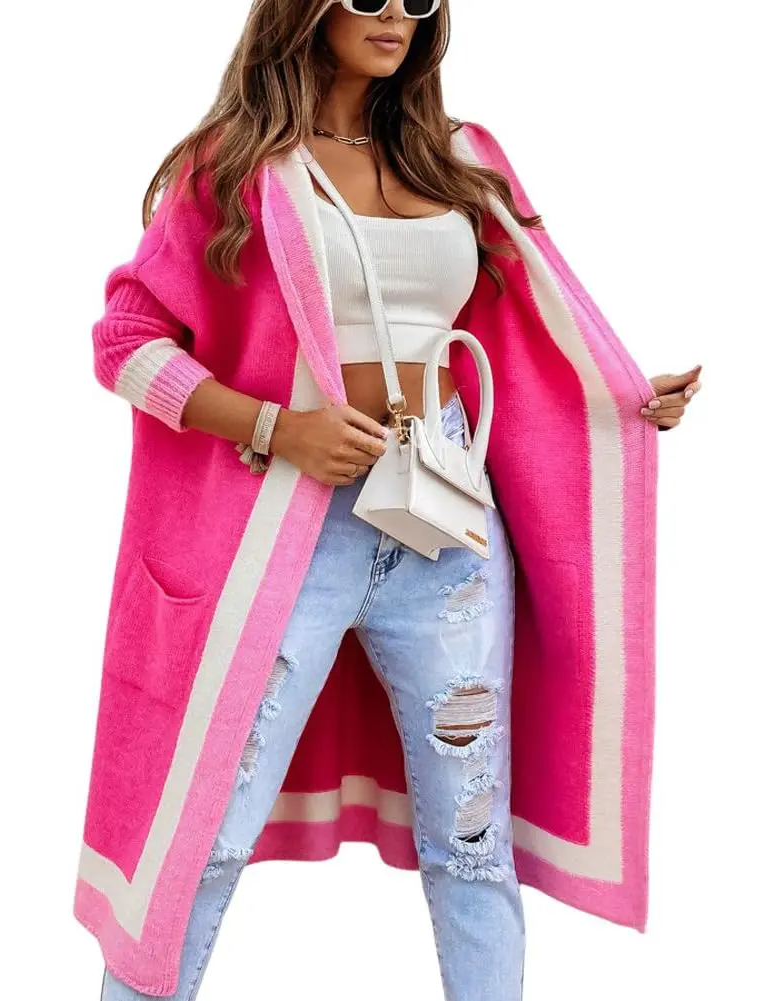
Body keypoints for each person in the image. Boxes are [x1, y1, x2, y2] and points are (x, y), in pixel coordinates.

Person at [74, 3, 702, 1000]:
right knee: (204, 831)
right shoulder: (234, 165)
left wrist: (623, 401)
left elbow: (530, 335)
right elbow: (125, 345)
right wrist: (277, 426)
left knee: (472, 840)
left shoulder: (460, 160)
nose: (397, 14)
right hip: (291, 531)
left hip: (447, 531)